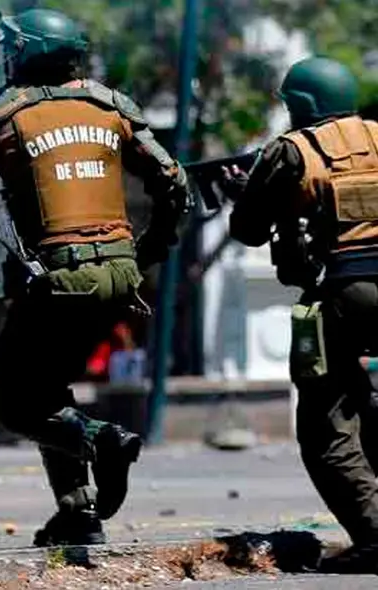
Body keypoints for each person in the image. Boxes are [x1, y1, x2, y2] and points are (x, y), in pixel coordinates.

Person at [0, 8, 191, 546]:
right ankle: (77, 514)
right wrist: (148, 251)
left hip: (62, 280)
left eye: (13, 49)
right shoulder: (111, 107)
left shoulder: (3, 115)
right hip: (119, 276)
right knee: (47, 388)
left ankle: (101, 441)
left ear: (27, 54)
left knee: (11, 402)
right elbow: (176, 184)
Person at [226, 56, 378, 573]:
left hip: (343, 292)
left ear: (303, 106)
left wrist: (239, 187)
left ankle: (375, 535)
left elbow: (247, 228)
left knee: (325, 421)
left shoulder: (292, 151)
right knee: (364, 402)